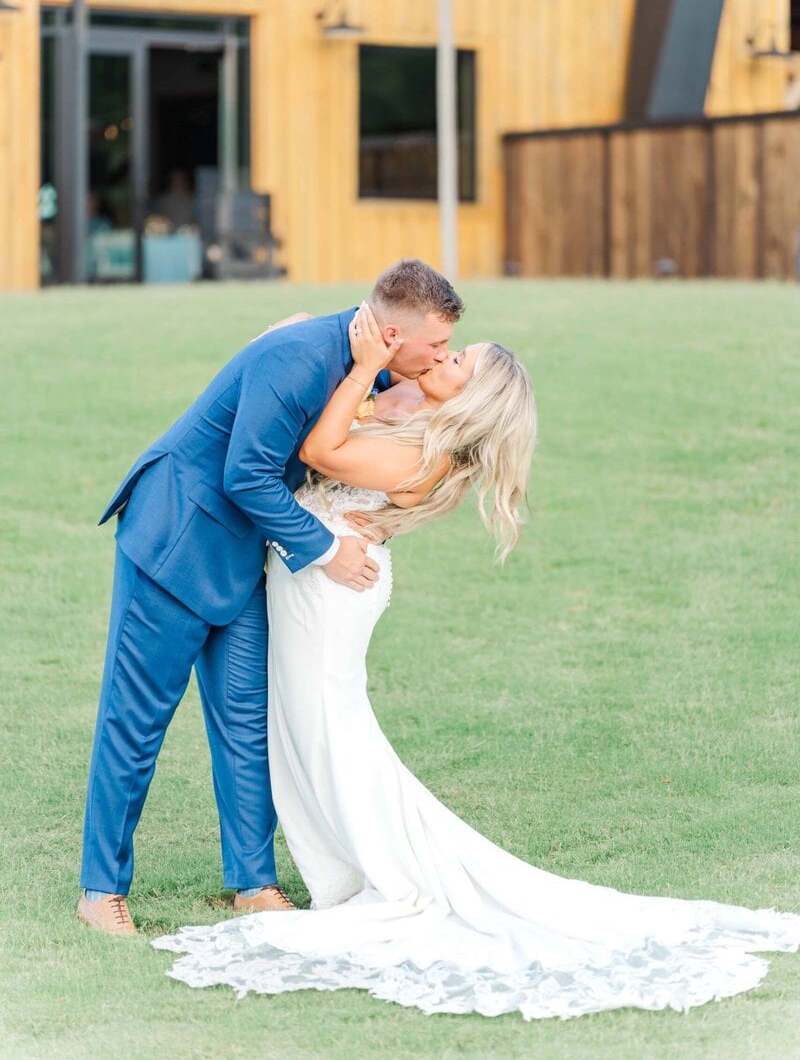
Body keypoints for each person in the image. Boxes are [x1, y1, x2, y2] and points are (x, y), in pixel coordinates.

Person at [154, 306, 800, 1019]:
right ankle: (339, 863)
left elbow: (320, 452)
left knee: (326, 727)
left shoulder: (424, 453)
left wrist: (364, 366)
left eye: (460, 362)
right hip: (319, 580)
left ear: (473, 396)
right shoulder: (418, 425)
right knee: (310, 727)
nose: (445, 359)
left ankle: (386, 872)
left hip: (335, 593)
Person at [78, 260, 464, 935]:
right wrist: (326, 549)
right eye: (435, 345)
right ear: (393, 332)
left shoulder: (367, 367)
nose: (441, 356)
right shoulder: (297, 357)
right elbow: (247, 476)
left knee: (246, 721)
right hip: (176, 538)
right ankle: (100, 890)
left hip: (243, 559)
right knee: (136, 721)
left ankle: (253, 883)